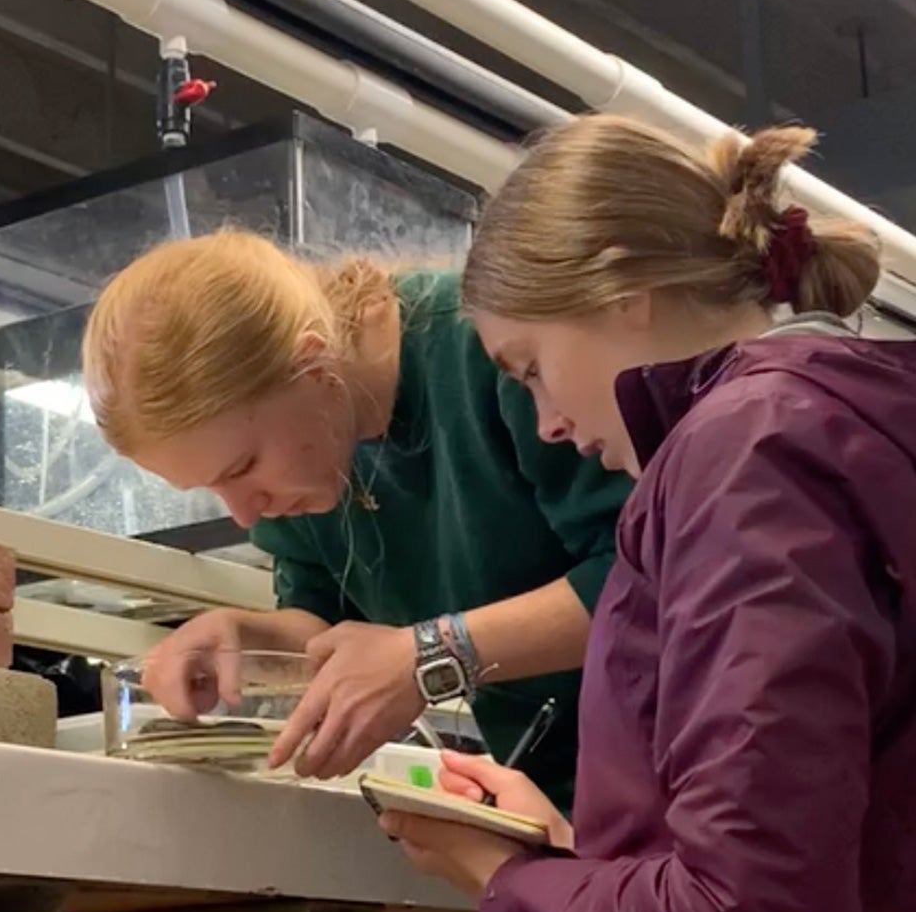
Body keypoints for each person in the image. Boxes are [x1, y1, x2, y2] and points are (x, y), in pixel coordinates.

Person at [382, 114, 916, 912]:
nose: (544, 423)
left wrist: (504, 881)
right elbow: (825, 858)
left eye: (531, 368)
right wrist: (575, 853)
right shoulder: (855, 429)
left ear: (622, 282)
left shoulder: (746, 454)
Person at [81, 233, 632, 808]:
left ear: (313, 365)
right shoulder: (311, 461)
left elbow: (654, 577)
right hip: (566, 792)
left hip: (671, 749)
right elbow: (327, 627)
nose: (244, 512)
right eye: (211, 489)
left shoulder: (495, 348)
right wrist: (249, 640)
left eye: (243, 467)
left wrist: (431, 655)